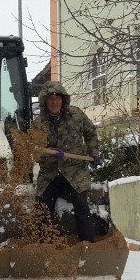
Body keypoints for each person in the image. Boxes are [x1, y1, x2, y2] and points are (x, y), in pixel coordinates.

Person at [34, 80, 102, 242]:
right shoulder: (38, 124)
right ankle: (45, 245)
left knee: (81, 204)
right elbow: (35, 152)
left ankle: (86, 244)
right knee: (43, 206)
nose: (55, 101)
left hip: (75, 170)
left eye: (58, 98)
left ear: (63, 100)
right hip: (51, 172)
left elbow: (91, 132)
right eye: (51, 98)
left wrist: (94, 152)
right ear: (45, 101)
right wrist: (50, 155)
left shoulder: (76, 115)